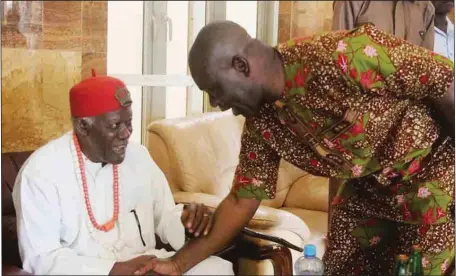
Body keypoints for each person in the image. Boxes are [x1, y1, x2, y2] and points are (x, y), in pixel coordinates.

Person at [134, 21, 455, 276]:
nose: (216, 103)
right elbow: (241, 199)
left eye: (214, 89)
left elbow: (446, 82)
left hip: (429, 183)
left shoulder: (347, 55)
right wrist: (177, 266)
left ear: (241, 65)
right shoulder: (261, 122)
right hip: (362, 194)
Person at [12, 72, 234, 275]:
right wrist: (113, 270)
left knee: (216, 268)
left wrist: (187, 225)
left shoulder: (138, 155)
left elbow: (165, 216)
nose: (126, 133)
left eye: (128, 122)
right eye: (115, 125)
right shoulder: (41, 172)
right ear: (83, 126)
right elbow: (41, 258)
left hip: (148, 263)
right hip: (91, 271)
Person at [331, 0, 437, 229]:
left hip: (403, 133)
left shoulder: (425, 8)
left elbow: (427, 71)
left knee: (394, 227)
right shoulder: (354, 2)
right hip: (356, 127)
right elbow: (335, 61)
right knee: (346, 225)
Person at [332, 0, 436, 50]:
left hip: (408, 93)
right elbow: (338, 57)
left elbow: (426, 73)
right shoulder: (352, 2)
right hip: (361, 92)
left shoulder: (426, 9)